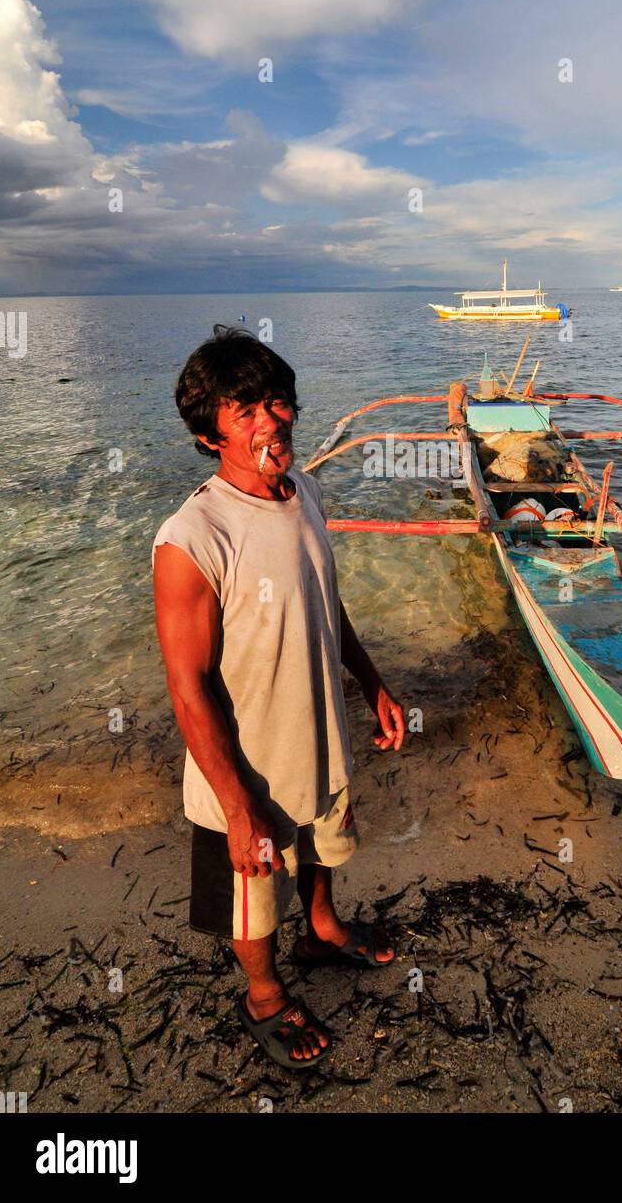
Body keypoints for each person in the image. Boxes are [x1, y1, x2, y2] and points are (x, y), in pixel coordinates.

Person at [152, 326, 405, 1070]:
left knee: (324, 844)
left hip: (318, 736)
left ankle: (322, 932)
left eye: (277, 401)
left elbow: (324, 602)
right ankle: (264, 996)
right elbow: (187, 688)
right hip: (248, 768)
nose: (272, 421)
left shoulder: (307, 492)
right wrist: (238, 809)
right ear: (209, 436)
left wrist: (371, 683)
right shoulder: (193, 537)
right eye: (245, 411)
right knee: (254, 895)